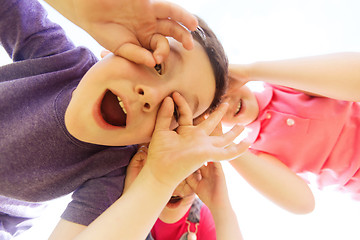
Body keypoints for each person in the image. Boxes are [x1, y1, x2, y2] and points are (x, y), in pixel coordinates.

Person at [0, 0, 249, 239]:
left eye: (173, 109)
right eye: (158, 66)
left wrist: (159, 179)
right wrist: (77, 6)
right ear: (112, 49)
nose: (150, 95)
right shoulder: (60, 60)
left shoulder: (113, 170)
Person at [221, 53, 360, 214]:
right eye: (215, 107)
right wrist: (222, 144)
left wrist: (250, 72)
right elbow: (303, 204)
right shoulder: (259, 152)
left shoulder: (282, 84)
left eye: (224, 86)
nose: (227, 101)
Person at [123, 143, 243, 240]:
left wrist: (220, 206)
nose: (175, 184)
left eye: (187, 172)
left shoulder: (205, 221)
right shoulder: (127, 207)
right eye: (163, 169)